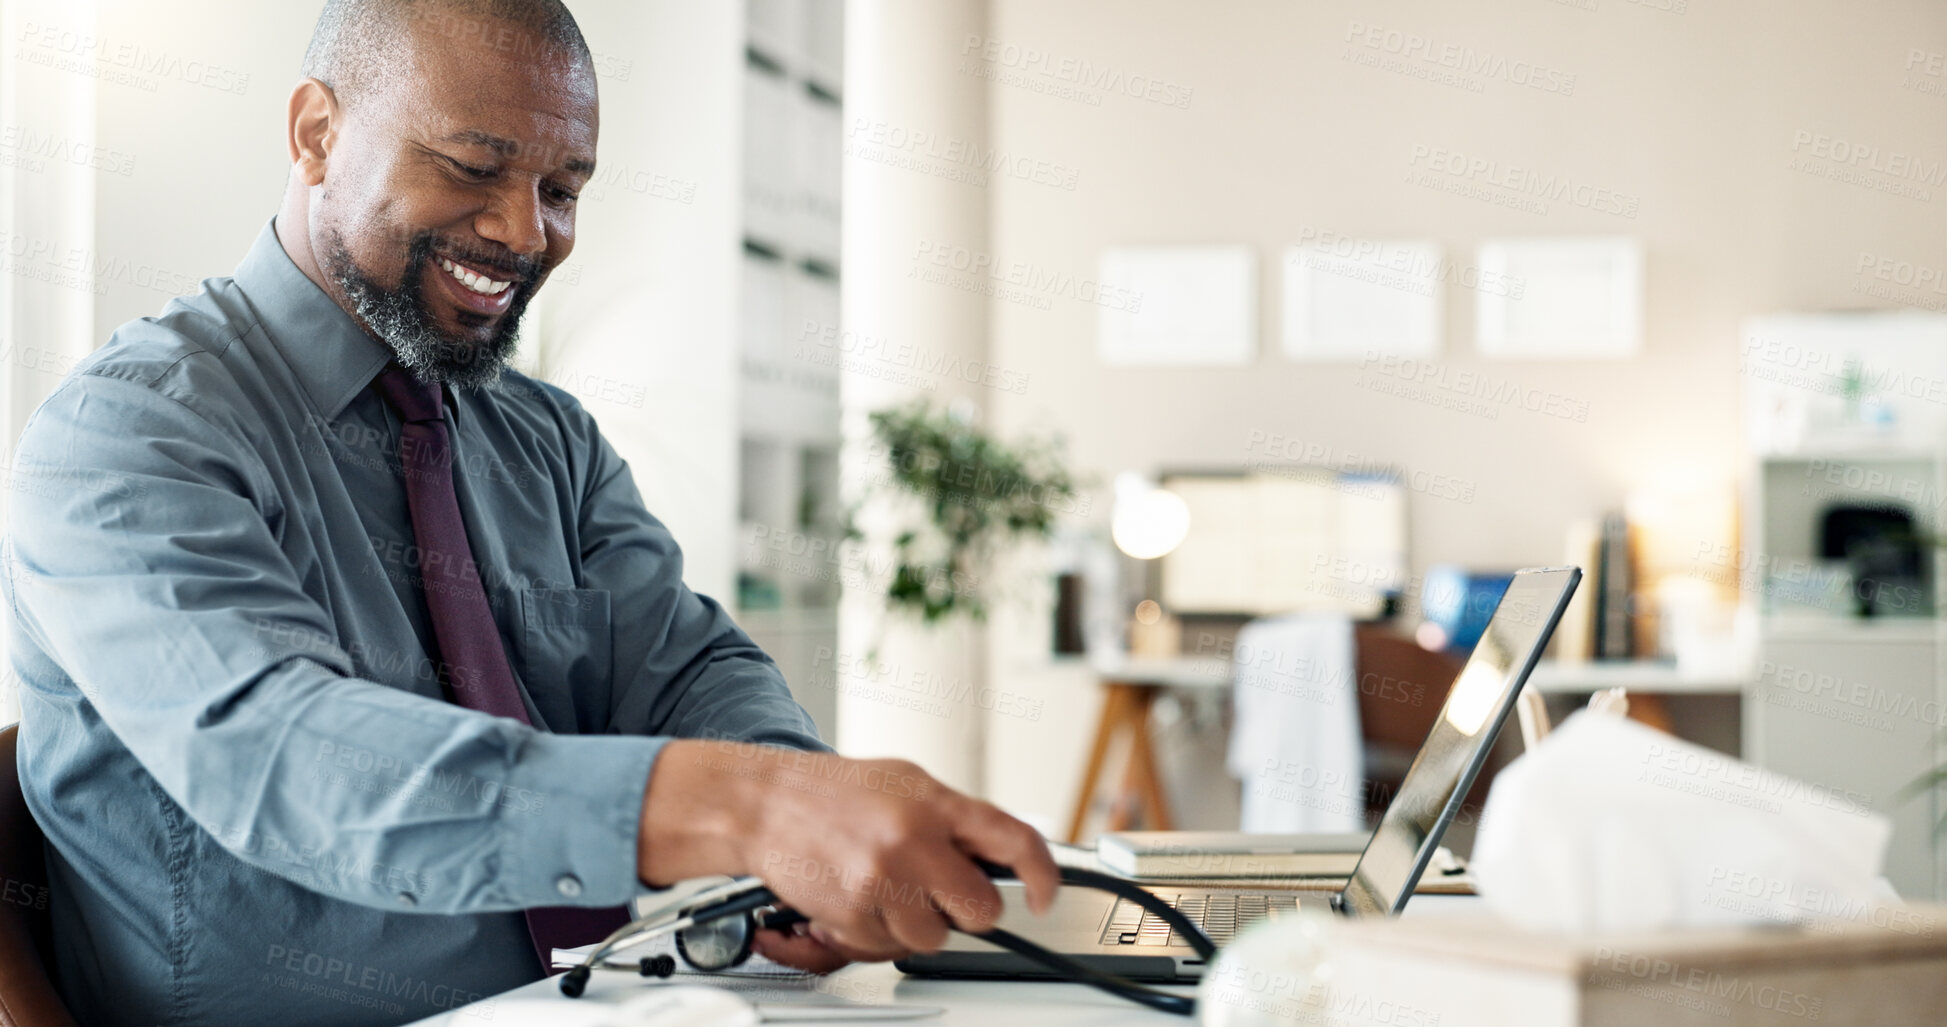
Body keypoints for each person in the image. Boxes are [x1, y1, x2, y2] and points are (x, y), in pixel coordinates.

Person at [1, 2, 1056, 1025]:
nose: (524, 230)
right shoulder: (128, 435)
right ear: (317, 133)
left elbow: (685, 665)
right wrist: (749, 808)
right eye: (472, 167)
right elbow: (286, 758)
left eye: (562, 187)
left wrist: (788, 823)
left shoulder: (547, 439)